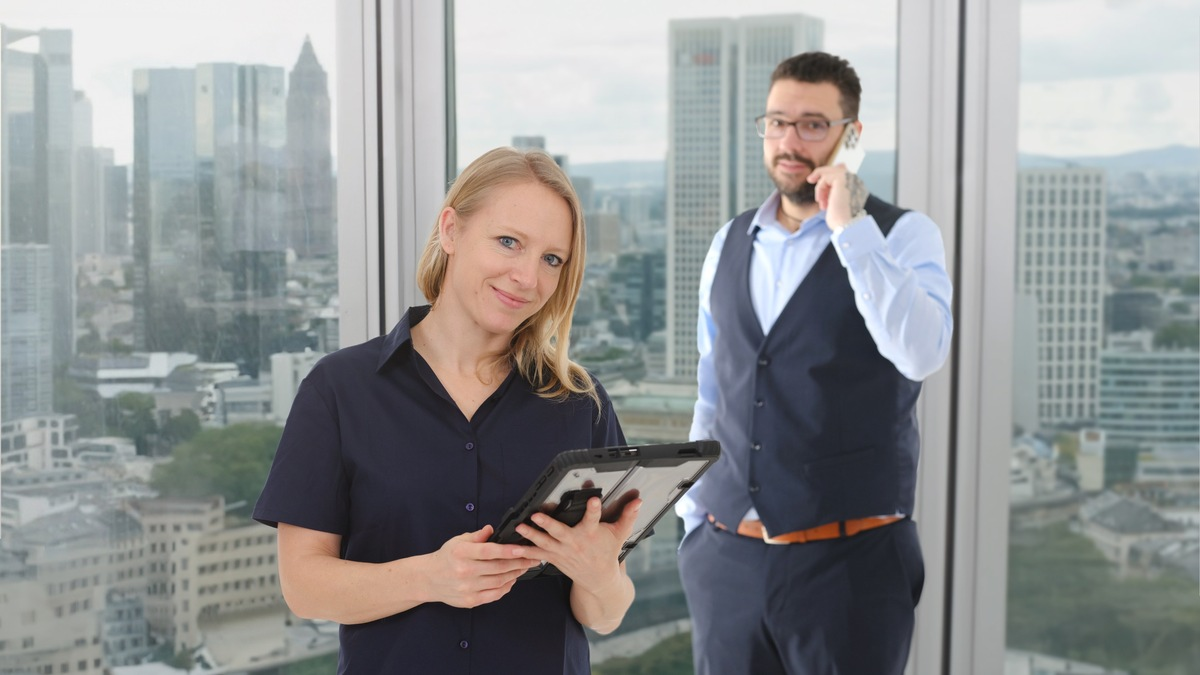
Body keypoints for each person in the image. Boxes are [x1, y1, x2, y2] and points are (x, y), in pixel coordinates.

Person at [253, 147, 641, 674]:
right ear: (451, 231)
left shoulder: (579, 403)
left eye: (552, 259)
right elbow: (303, 587)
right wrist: (430, 577)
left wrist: (600, 575)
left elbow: (605, 614)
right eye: (509, 242)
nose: (528, 277)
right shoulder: (339, 389)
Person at [675, 51, 954, 674]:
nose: (788, 141)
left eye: (811, 124)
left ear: (851, 137)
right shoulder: (729, 241)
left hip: (850, 568)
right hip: (726, 564)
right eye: (776, 122)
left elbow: (921, 351)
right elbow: (714, 390)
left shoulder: (903, 236)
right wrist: (693, 522)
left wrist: (850, 226)